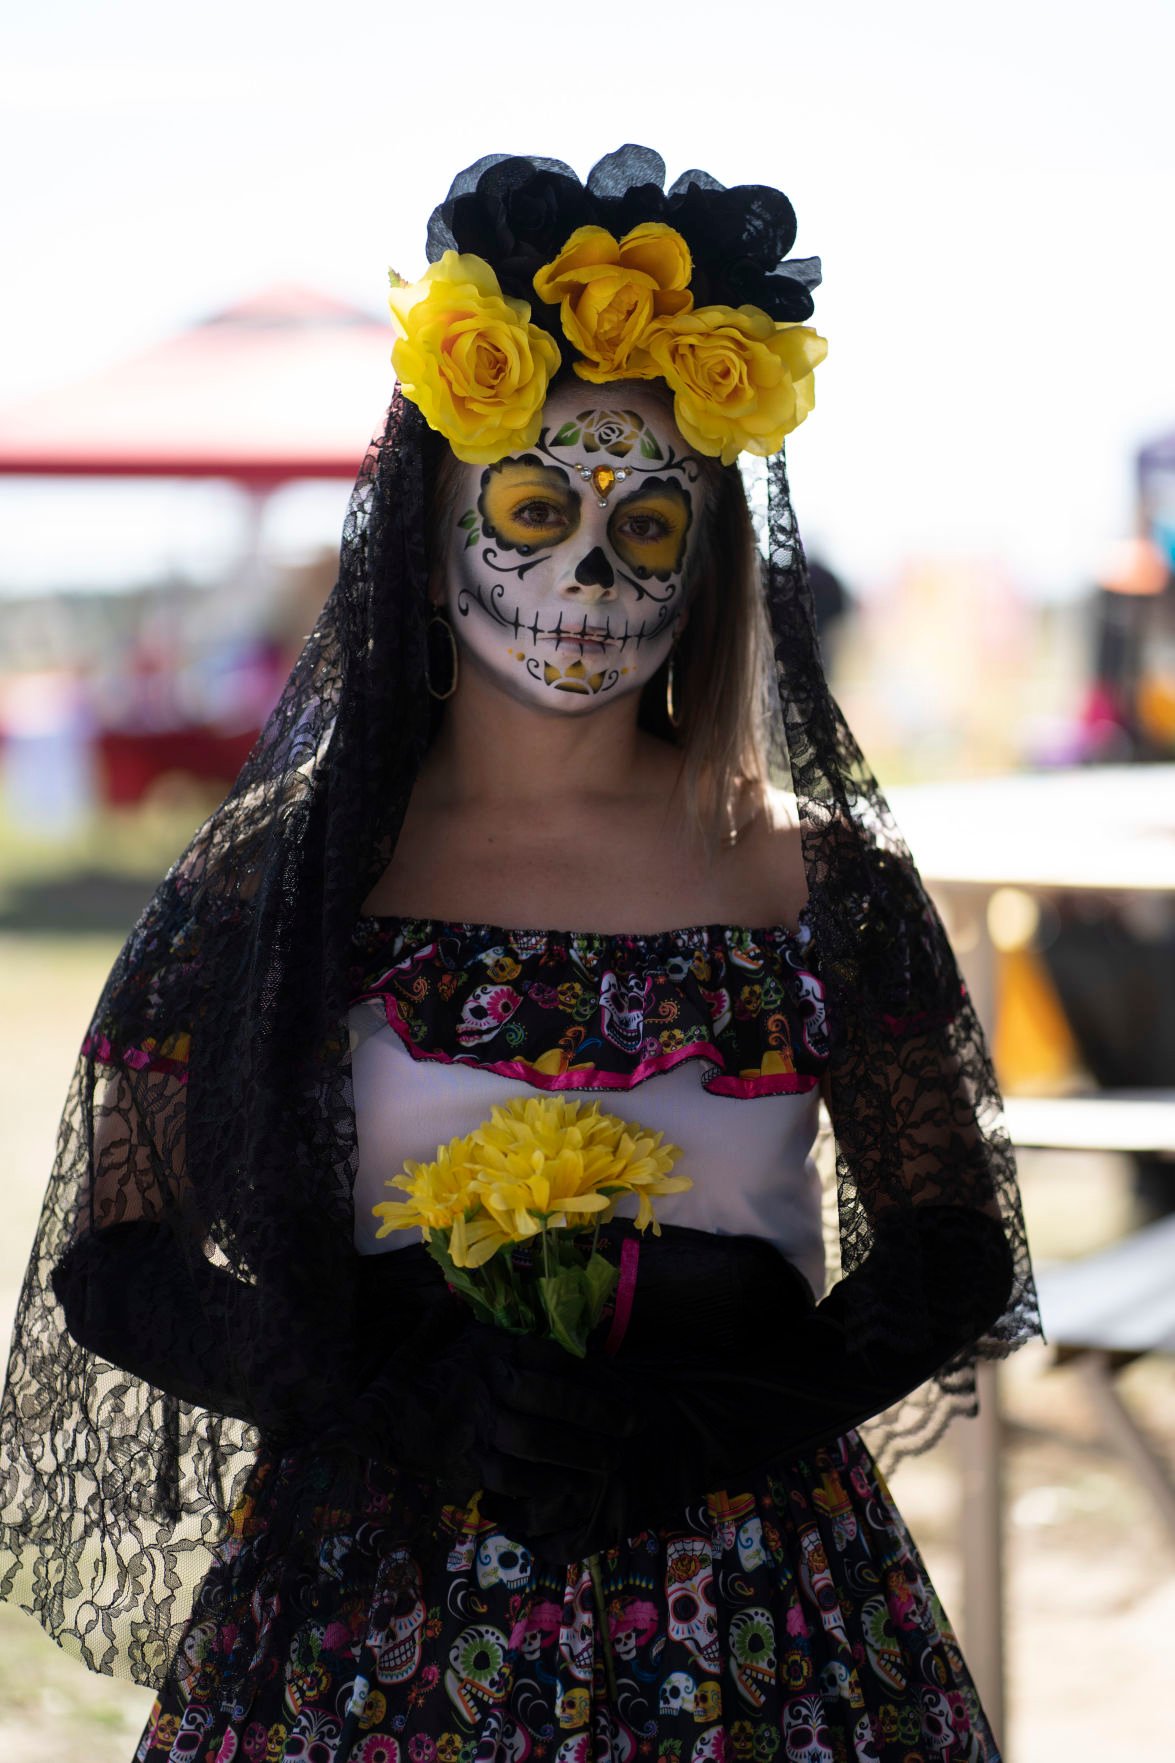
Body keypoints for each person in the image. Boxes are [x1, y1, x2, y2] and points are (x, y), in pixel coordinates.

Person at [0, 147, 1040, 1763]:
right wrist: (378, 1383)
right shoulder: (273, 887)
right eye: (539, 510)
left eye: (648, 521)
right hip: (359, 1628)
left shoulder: (820, 884)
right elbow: (114, 1249)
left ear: (711, 562)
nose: (586, 579)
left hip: (762, 1624)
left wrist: (730, 1408)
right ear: (426, 539)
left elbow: (953, 1243)